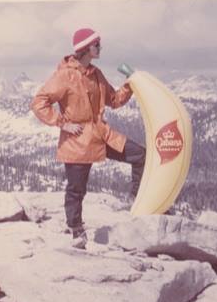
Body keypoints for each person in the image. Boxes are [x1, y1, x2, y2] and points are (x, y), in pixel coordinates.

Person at [31, 28, 146, 249]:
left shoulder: (96, 74)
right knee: (77, 189)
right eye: (97, 45)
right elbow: (39, 102)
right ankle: (76, 229)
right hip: (77, 141)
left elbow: (114, 99)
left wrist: (130, 84)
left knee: (140, 154)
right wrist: (62, 122)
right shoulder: (65, 75)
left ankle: (137, 203)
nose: (100, 48)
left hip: (101, 134)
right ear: (85, 49)